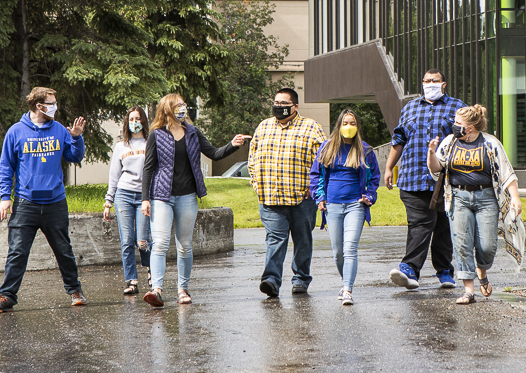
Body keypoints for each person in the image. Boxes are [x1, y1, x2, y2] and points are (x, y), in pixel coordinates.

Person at [140, 94, 249, 307]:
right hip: (162, 196)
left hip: (188, 196)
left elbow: (214, 154)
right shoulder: (156, 135)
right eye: (178, 105)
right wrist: (146, 199)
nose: (183, 108)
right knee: (160, 243)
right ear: (168, 109)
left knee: (184, 246)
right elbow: (148, 168)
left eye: (183, 105)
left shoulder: (192, 132)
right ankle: (157, 290)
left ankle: (183, 289)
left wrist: (232, 145)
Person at [0, 87, 87, 313]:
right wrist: (5, 197)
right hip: (25, 203)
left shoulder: (60, 130)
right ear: (39, 106)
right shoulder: (16, 132)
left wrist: (77, 137)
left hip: (55, 202)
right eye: (51, 103)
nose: (55, 107)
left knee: (64, 250)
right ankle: (6, 297)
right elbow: (6, 167)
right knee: (17, 252)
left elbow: (75, 156)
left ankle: (75, 291)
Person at [427, 104, 525, 305]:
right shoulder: (450, 142)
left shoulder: (490, 143)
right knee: (462, 244)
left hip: (486, 198)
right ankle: (468, 291)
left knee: (487, 246)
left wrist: (515, 197)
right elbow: (437, 168)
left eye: (457, 123)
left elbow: (506, 172)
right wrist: (431, 154)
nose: (453, 126)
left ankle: (482, 269)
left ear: (470, 128)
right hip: (458, 197)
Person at [383, 69, 466, 290]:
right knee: (421, 222)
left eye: (434, 81)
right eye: (426, 80)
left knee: (443, 227)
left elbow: (466, 138)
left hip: (445, 179)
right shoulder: (409, 107)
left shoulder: (457, 107)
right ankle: (409, 268)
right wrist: (389, 167)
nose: (430, 83)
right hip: (412, 178)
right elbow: (399, 138)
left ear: (443, 84)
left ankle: (445, 271)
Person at [250, 87, 327, 297]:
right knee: (275, 239)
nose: (279, 107)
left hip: (302, 199)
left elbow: (324, 160)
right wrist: (257, 184)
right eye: (276, 102)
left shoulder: (311, 127)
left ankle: (301, 279)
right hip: (270, 198)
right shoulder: (263, 126)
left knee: (302, 240)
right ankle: (271, 280)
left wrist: (316, 188)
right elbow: (252, 158)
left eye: (284, 104)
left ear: (295, 106)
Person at [308, 108, 380, 306]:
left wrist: (369, 195)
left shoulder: (365, 150)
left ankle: (347, 289)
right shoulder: (326, 148)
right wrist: (319, 197)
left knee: (350, 249)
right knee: (338, 252)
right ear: (338, 126)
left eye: (353, 123)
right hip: (332, 206)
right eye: (345, 123)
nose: (349, 127)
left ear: (358, 127)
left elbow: (374, 177)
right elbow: (316, 175)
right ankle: (345, 282)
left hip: (355, 206)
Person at [102, 106, 151, 295]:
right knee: (127, 241)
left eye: (138, 119)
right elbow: (114, 174)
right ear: (126, 122)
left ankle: (150, 270)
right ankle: (132, 281)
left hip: (144, 196)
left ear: (143, 121)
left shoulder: (150, 142)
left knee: (142, 241)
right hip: (123, 194)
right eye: (131, 119)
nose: (134, 122)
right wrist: (109, 201)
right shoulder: (121, 146)